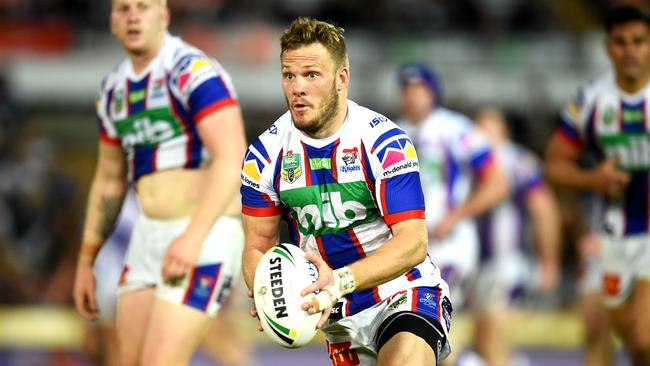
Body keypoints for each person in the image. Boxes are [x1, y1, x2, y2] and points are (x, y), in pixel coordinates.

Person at [241, 17, 452, 365]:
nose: (297, 87)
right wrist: (268, 291)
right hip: (337, 318)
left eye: (311, 75)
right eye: (288, 75)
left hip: (403, 292)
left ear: (342, 78)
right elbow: (257, 246)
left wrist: (338, 282)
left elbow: (413, 242)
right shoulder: (264, 156)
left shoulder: (385, 142)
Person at [72, 0, 247, 365]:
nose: (133, 16)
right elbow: (109, 180)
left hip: (205, 234)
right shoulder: (113, 90)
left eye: (143, 7)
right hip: (147, 235)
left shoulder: (192, 72)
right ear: (111, 22)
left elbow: (232, 157)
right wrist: (86, 261)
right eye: (123, 9)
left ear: (164, 16)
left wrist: (193, 236)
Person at [545, 6, 650, 364]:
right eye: (621, 43)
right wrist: (595, 178)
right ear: (608, 48)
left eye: (638, 41)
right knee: (599, 329)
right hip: (610, 233)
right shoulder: (590, 101)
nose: (630, 51)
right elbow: (555, 165)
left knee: (642, 336)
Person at [395, 64, 509, 309]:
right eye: (408, 90)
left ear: (433, 92)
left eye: (420, 90)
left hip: (450, 243)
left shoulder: (457, 129)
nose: (413, 97)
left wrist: (454, 217)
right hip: (406, 244)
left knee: (431, 309)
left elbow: (497, 184)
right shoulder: (391, 131)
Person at [463, 107, 560, 366]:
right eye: (479, 127)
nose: (483, 134)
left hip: (507, 262)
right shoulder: (469, 162)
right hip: (478, 266)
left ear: (504, 131)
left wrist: (549, 260)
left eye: (490, 127)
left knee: (493, 332)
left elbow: (544, 209)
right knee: (482, 341)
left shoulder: (515, 161)